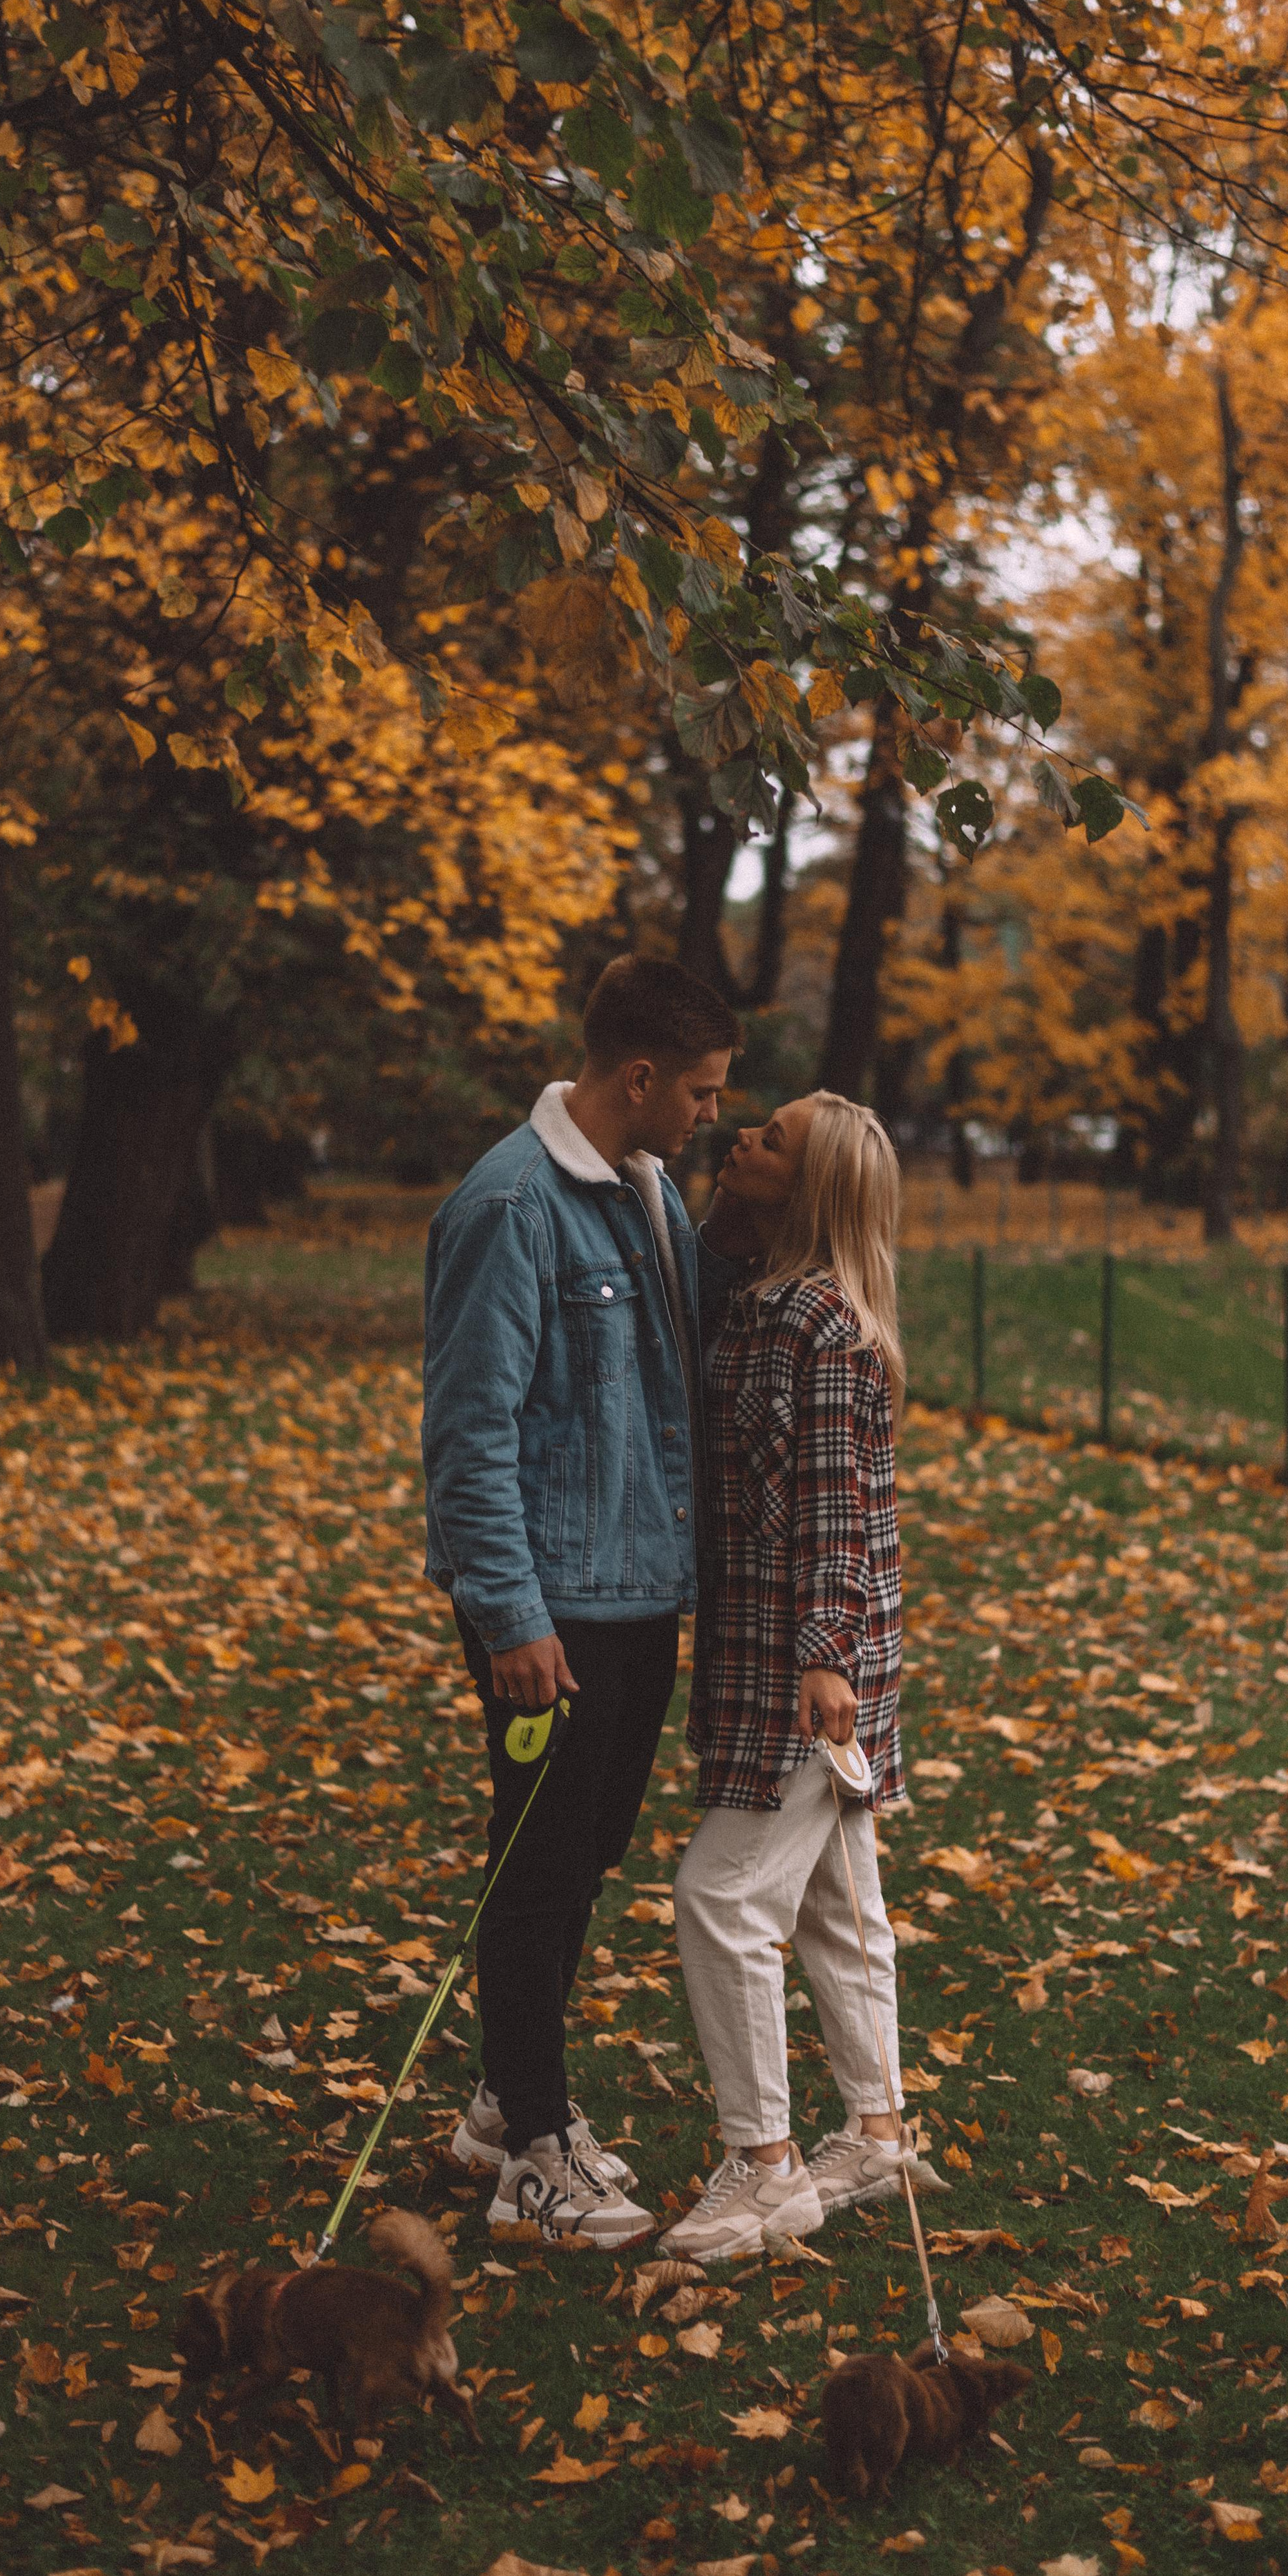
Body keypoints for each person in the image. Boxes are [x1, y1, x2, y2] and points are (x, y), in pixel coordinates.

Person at [423, 954, 743, 2246]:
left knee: (584, 1852)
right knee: (542, 1859)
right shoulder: (513, 1205)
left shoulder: (649, 1191)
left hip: (636, 1591)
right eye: (707, 1091)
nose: (714, 1113)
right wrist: (511, 1619)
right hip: (550, 1608)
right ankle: (538, 2160)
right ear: (641, 1077)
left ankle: (506, 2099)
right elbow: (469, 1433)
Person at [658, 1091, 945, 2263]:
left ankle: (764, 2166)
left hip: (805, 1666)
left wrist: (823, 1655)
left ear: (813, 1183)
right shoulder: (775, 1300)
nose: (742, 1138)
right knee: (838, 1905)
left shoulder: (815, 1325)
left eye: (768, 1138)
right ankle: (876, 2131)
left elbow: (835, 1509)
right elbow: (708, 1265)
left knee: (720, 1899)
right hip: (801, 1657)